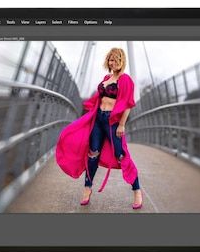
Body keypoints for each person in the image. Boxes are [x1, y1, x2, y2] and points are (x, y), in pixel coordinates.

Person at [55, 47, 143, 210]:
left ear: (121, 61)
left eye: (116, 60)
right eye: (111, 59)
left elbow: (128, 104)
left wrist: (122, 124)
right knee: (93, 153)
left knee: (121, 154)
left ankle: (137, 190)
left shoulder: (125, 80)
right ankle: (87, 189)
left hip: (113, 122)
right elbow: (98, 98)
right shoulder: (106, 78)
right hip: (98, 119)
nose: (113, 62)